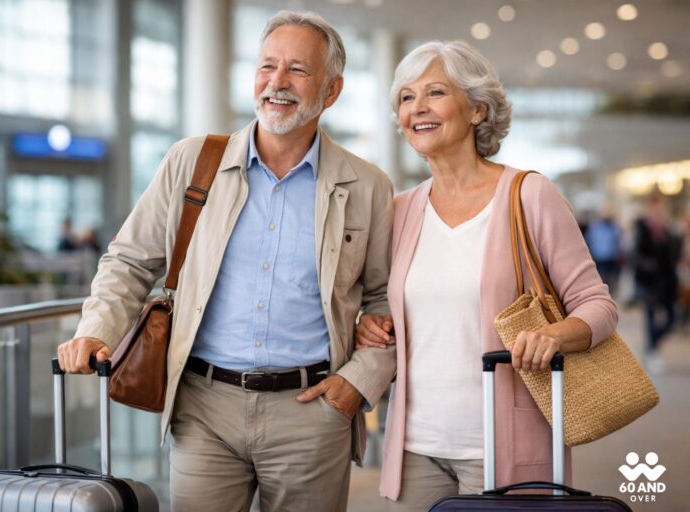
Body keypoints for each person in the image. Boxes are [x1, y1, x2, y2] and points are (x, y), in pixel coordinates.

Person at [57, 10, 395, 512]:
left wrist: (356, 385)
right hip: (203, 407)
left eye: (298, 70)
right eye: (267, 66)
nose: (277, 83)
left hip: (312, 411)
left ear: (331, 90)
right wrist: (96, 329)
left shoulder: (368, 186)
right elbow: (129, 260)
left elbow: (388, 297)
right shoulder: (192, 162)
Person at [354, 40, 618, 509]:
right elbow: (391, 306)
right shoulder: (402, 210)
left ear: (478, 109)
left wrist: (554, 335)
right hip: (416, 446)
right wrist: (373, 323)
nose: (418, 108)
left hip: (502, 445)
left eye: (435, 92)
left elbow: (598, 306)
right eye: (406, 97)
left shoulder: (529, 195)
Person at [633, 193, 682, 372]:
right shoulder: (643, 228)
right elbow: (636, 255)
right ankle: (652, 350)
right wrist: (650, 266)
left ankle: (651, 345)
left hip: (668, 281)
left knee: (671, 318)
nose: (659, 210)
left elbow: (675, 255)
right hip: (649, 282)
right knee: (651, 317)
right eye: (656, 207)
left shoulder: (668, 230)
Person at [584, 209, 623, 298]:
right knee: (600, 277)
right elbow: (589, 241)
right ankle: (603, 294)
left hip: (610, 258)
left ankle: (607, 294)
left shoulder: (614, 227)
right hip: (599, 257)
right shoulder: (595, 227)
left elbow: (617, 242)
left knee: (608, 278)